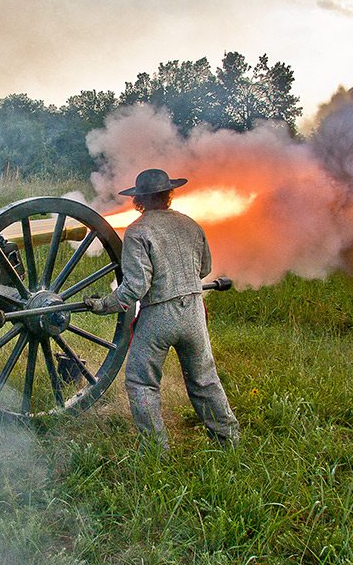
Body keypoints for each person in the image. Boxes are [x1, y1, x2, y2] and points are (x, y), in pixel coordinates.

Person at [86, 168, 239, 450]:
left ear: (139, 200)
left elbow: (135, 288)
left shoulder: (137, 231)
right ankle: (228, 440)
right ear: (168, 195)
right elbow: (204, 269)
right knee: (204, 379)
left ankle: (156, 451)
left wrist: (103, 305)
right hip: (193, 314)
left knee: (141, 382)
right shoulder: (191, 225)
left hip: (159, 317)